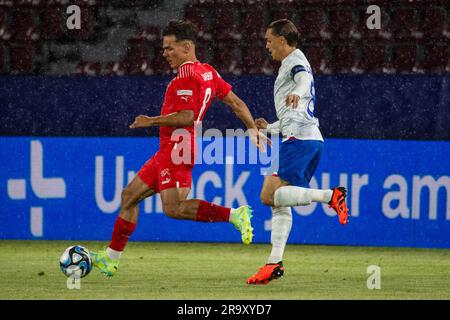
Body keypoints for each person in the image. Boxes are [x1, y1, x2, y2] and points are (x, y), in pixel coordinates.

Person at [91, 20, 269, 277]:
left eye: (169, 48)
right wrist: (252, 129)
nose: (164, 54)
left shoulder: (186, 76)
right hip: (171, 148)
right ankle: (110, 258)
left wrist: (151, 121)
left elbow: (187, 116)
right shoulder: (208, 72)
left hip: (178, 148)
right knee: (129, 196)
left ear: (186, 47)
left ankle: (234, 215)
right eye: (163, 49)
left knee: (174, 208)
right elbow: (237, 103)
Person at [246, 19, 349, 285]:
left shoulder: (294, 61)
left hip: (299, 141)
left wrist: (298, 93)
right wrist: (268, 127)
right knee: (280, 202)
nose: (267, 45)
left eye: (269, 40)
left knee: (268, 195)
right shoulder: (288, 64)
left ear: (282, 39)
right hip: (308, 138)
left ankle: (330, 195)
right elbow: (293, 114)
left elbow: (304, 79)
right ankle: (273, 263)